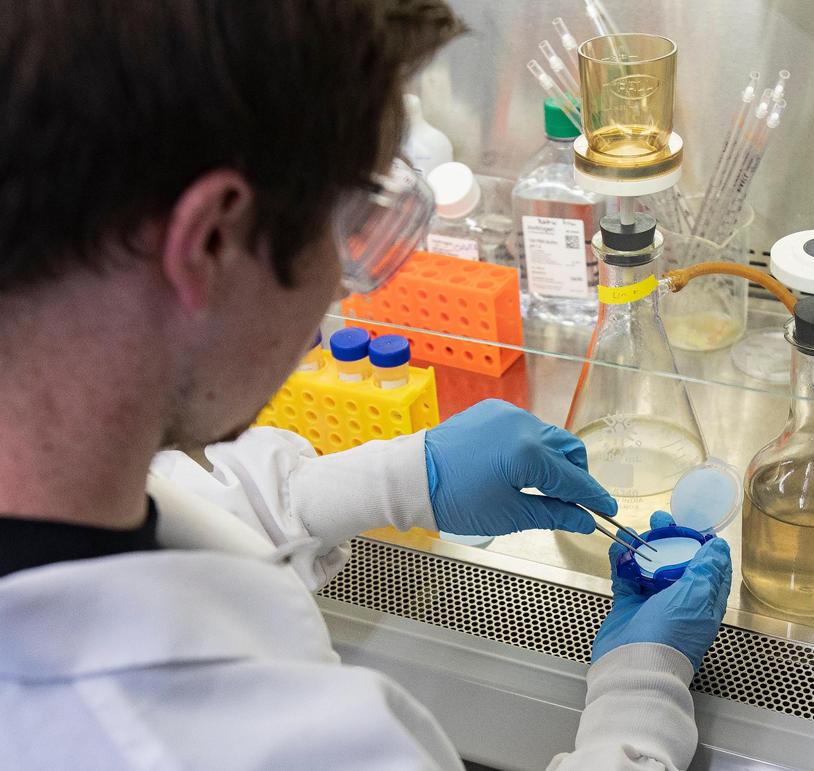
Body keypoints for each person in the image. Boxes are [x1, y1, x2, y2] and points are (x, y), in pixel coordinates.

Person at [0, 1, 733, 769]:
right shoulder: (247, 746)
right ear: (212, 240)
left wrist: (392, 479)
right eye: (347, 227)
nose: (340, 290)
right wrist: (638, 698)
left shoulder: (58, 479)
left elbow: (181, 512)